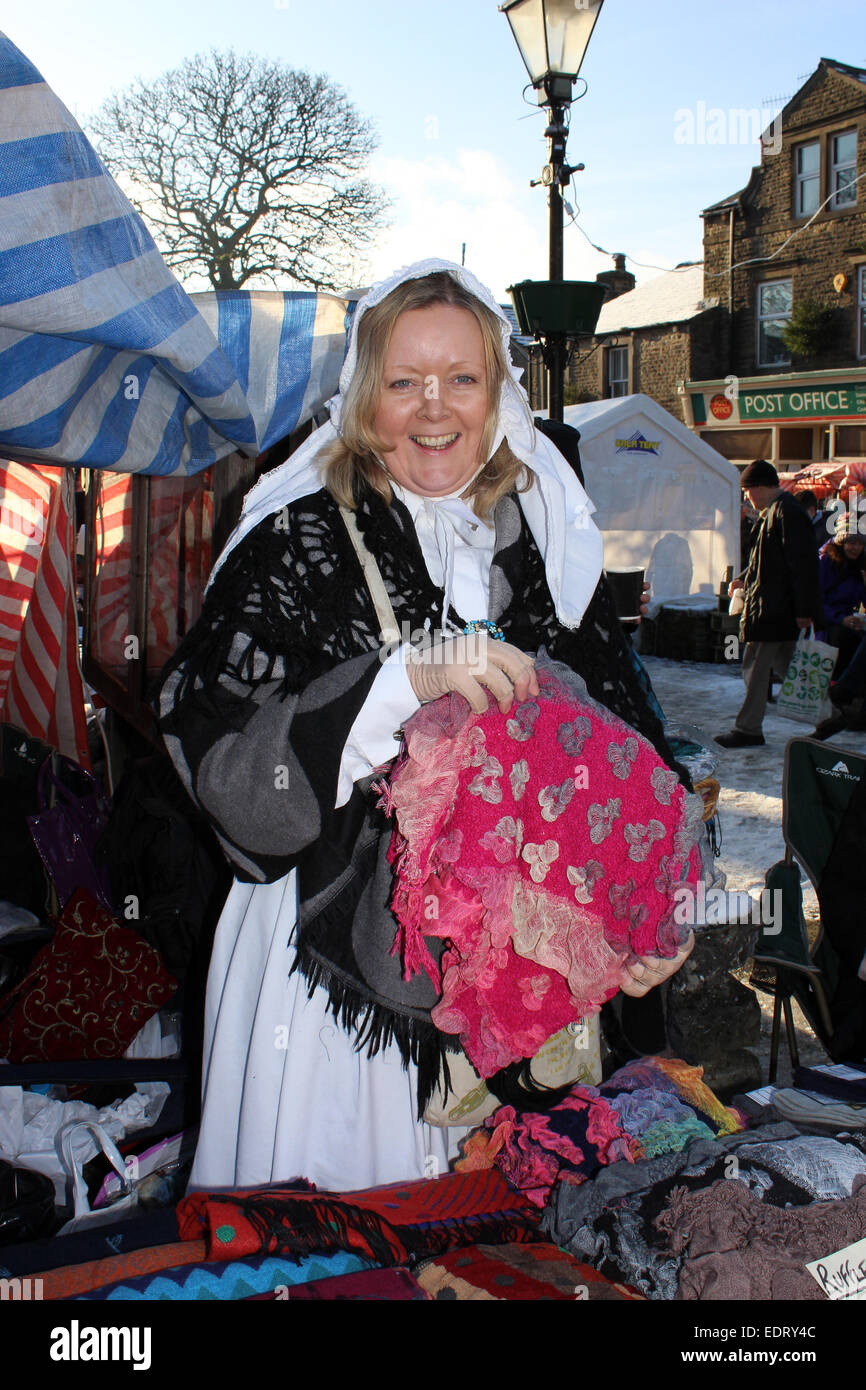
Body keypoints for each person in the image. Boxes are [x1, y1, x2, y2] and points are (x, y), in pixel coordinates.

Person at [157, 259, 694, 1193]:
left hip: (522, 970)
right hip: (329, 980)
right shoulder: (298, 540)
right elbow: (222, 767)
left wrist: (655, 909)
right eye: (404, 382)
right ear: (366, 398)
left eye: (461, 379)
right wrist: (399, 680)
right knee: (343, 1244)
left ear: (498, 394)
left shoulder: (541, 544)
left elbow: (632, 757)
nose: (433, 408)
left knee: (490, 1251)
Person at [716, 459, 821, 748]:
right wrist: (743, 578)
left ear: (759, 488)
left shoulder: (786, 513)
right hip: (776, 608)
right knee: (789, 668)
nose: (746, 497)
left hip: (774, 610)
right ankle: (831, 716)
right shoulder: (776, 512)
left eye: (747, 491)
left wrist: (804, 610)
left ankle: (748, 729)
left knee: (754, 666)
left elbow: (802, 565)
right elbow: (765, 562)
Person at [815, 512, 866, 674]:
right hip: (826, 625)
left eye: (860, 543)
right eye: (851, 543)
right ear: (841, 542)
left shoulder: (860, 566)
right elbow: (816, 600)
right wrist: (841, 619)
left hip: (849, 621)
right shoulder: (827, 562)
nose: (856, 548)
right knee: (843, 640)